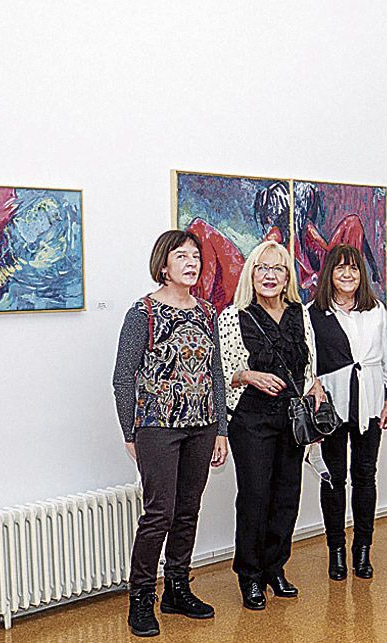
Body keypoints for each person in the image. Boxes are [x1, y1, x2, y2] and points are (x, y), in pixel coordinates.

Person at [112, 230, 229, 637]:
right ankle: (141, 596)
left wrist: (222, 430)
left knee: (188, 510)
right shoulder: (141, 312)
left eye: (195, 256)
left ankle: (178, 587)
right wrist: (131, 430)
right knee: (158, 513)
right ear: (164, 265)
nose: (192, 262)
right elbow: (123, 376)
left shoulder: (208, 313)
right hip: (157, 426)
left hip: (203, 425)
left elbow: (215, 371)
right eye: (182, 256)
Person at [218, 240, 327, 610]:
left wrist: (314, 384)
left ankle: (275, 569)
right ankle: (249, 577)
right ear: (252, 273)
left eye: (277, 269)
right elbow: (223, 372)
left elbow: (309, 362)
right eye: (262, 268)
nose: (269, 275)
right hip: (251, 419)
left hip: (292, 418)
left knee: (286, 496)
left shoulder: (300, 313)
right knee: (254, 497)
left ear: (287, 277)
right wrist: (251, 376)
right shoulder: (234, 316)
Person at [307, 243, 387, 581]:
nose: (348, 274)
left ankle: (363, 549)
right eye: (341, 268)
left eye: (354, 268)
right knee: (334, 479)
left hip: (371, 402)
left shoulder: (375, 309)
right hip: (331, 405)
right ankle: (336, 551)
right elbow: (308, 364)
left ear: (362, 274)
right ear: (329, 273)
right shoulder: (313, 313)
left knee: (365, 475)